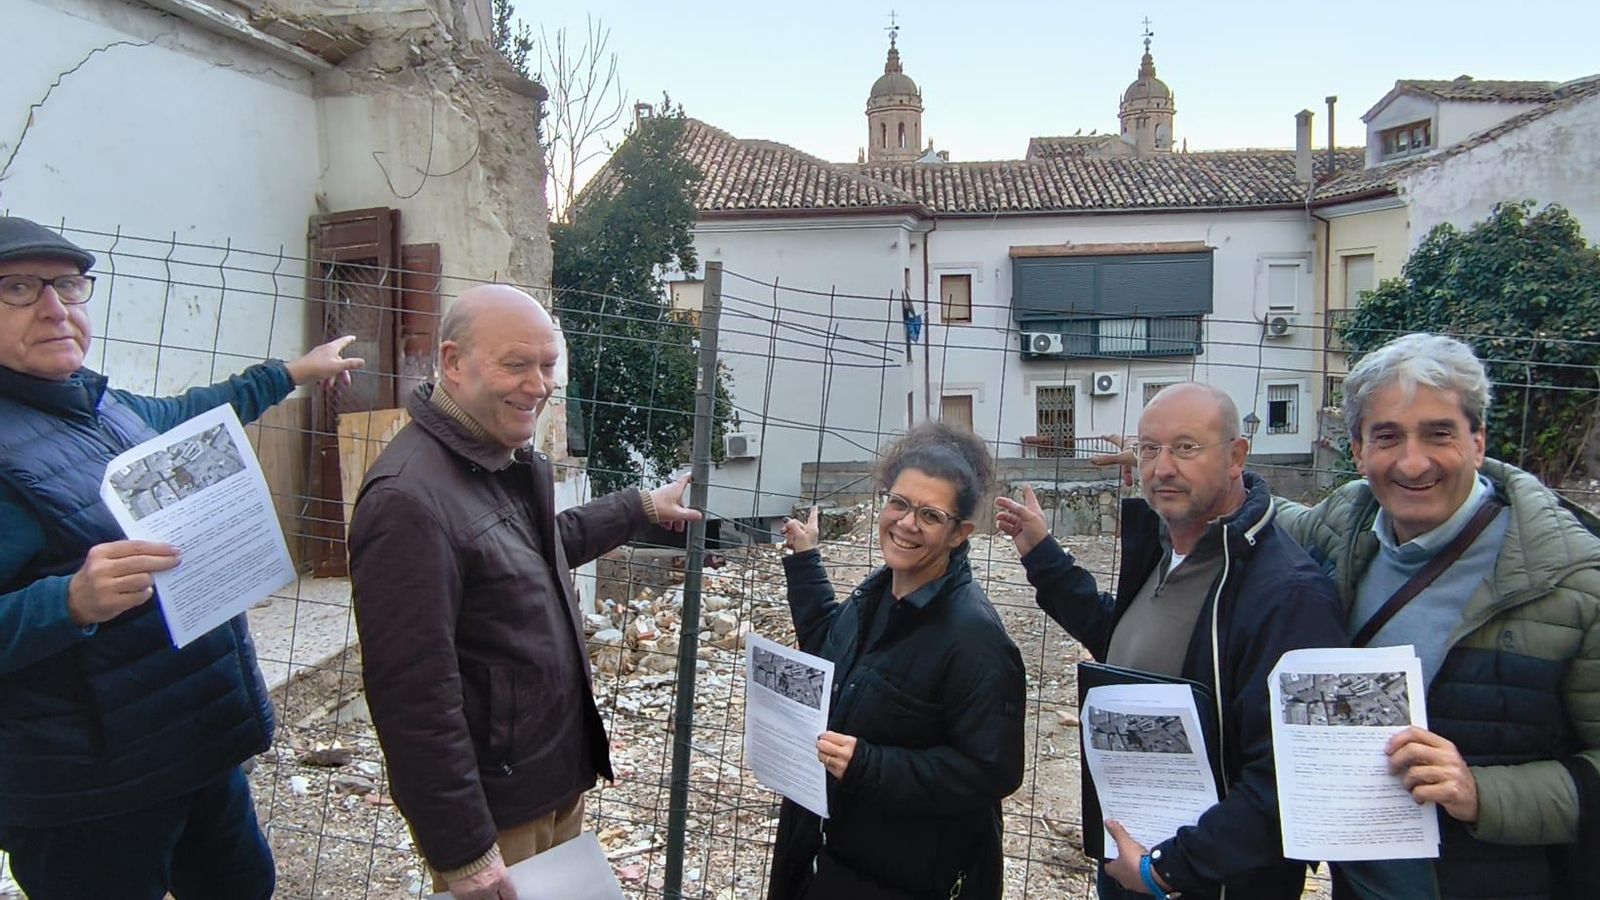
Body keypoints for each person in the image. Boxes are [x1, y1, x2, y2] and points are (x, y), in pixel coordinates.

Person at [0, 216, 363, 900]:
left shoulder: (101, 406)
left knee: (242, 886)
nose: (54, 308)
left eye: (69, 286)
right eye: (18, 288)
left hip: (194, 745)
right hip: (90, 791)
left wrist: (291, 373)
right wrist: (66, 602)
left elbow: (193, 413)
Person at [346, 284, 700, 900]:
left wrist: (640, 506)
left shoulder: (490, 457)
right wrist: (463, 851)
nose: (537, 385)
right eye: (517, 364)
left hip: (550, 780)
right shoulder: (408, 500)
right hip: (499, 811)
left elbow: (541, 545)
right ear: (453, 363)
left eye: (546, 366)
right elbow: (413, 698)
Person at [1271, 333, 1600, 900]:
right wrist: (1173, 461)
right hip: (1359, 885)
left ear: (1477, 442)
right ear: (1357, 450)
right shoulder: (1342, 527)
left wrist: (1480, 792)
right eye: (1387, 436)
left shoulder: (1570, 580)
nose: (1413, 461)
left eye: (1438, 433)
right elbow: (1255, 512)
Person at [994, 383, 1346, 899]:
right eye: (1149, 448)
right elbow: (1127, 646)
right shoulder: (1168, 547)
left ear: (1236, 456)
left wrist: (1167, 869)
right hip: (1135, 855)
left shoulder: (1288, 594)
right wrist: (1043, 555)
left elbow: (1290, 781)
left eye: (1185, 447)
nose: (1161, 468)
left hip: (1205, 879)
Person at [768, 422, 1027, 900]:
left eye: (930, 514)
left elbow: (992, 773)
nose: (906, 523)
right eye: (900, 503)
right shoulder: (879, 591)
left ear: (959, 533)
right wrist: (805, 563)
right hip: (833, 857)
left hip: (907, 876)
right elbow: (835, 649)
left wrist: (869, 765)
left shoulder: (975, 639)